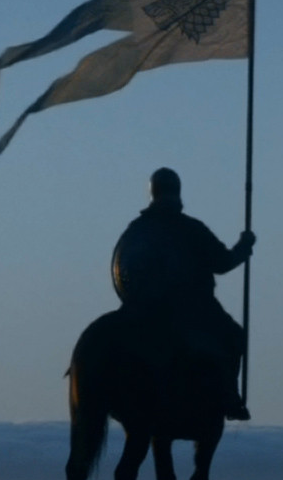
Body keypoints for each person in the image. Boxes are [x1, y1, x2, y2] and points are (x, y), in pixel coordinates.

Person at [110, 167, 256, 421]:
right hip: (189, 311)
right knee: (234, 336)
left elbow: (120, 271)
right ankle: (229, 398)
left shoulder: (135, 229)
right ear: (177, 193)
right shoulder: (191, 229)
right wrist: (244, 247)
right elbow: (222, 263)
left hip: (140, 310)